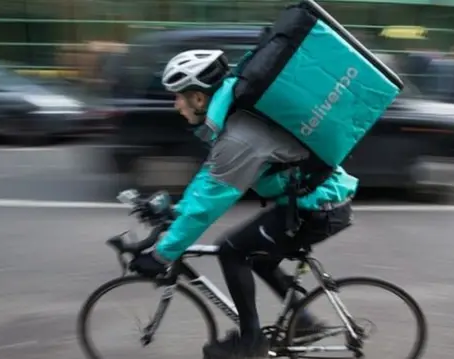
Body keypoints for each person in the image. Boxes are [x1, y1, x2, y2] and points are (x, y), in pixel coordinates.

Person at [129, 48, 357, 359]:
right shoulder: (233, 119)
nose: (176, 104)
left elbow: (209, 204)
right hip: (313, 202)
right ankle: (303, 323)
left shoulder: (240, 135)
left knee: (232, 250)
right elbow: (210, 178)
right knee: (259, 256)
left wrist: (162, 254)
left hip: (318, 208)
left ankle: (252, 343)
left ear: (198, 98)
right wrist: (175, 212)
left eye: (179, 96)